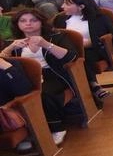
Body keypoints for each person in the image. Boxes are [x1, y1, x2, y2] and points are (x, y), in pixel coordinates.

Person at [0, 8, 77, 145]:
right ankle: (28, 132)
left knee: (42, 93)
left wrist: (46, 44)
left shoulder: (56, 36)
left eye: (33, 20)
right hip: (26, 78)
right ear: (17, 24)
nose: (28, 24)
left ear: (41, 22)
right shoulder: (15, 42)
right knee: (9, 95)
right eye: (23, 21)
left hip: (53, 74)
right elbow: (2, 61)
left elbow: (70, 57)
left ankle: (57, 127)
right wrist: (10, 48)